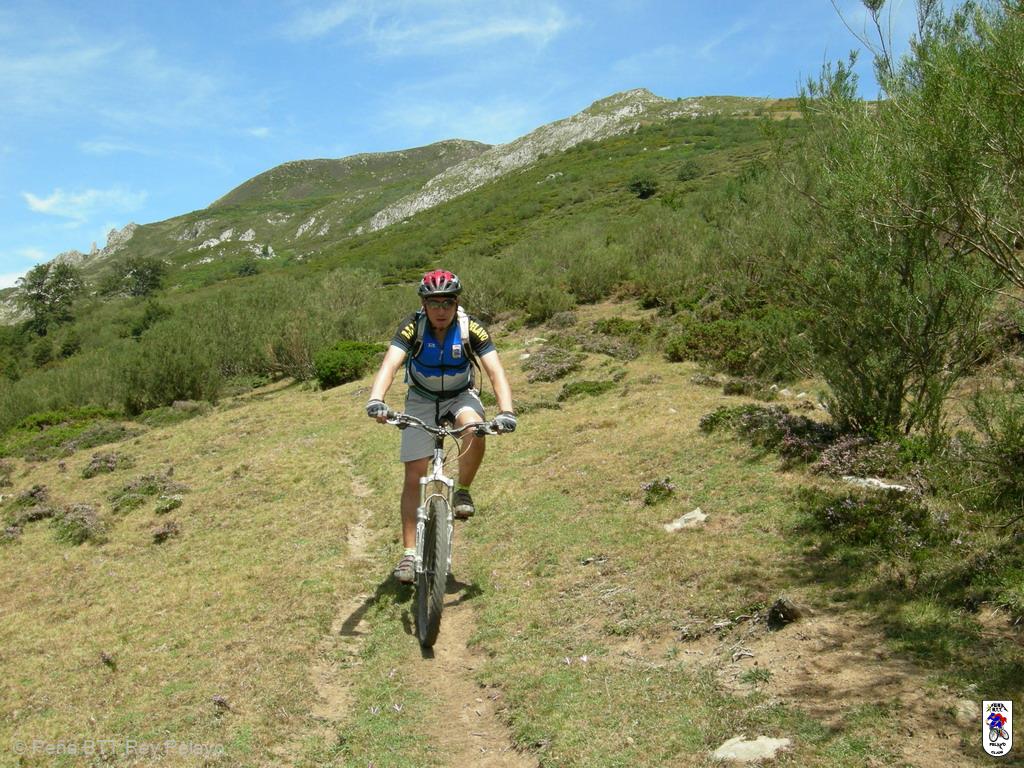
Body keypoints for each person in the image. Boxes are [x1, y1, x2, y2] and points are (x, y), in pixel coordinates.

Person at [365, 269, 517, 583]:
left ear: (456, 303)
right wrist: (376, 399)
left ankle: (463, 492)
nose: (441, 310)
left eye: (448, 302)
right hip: (421, 399)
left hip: (460, 396)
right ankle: (409, 555)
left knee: (474, 428)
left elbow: (495, 371)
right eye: (434, 303)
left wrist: (506, 411)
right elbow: (390, 364)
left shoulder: (470, 327)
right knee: (414, 474)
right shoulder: (412, 326)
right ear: (424, 304)